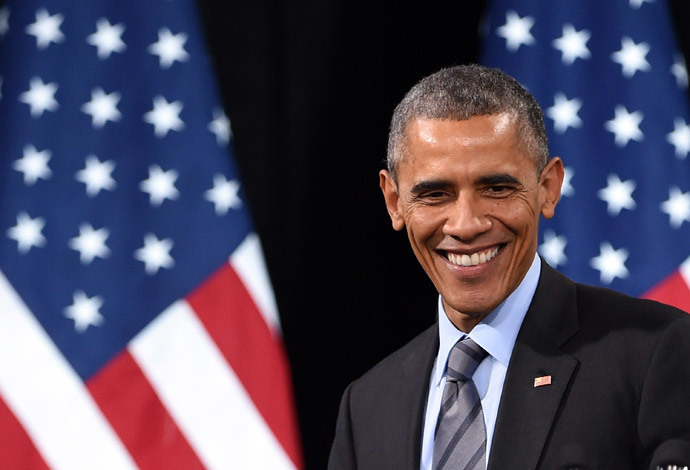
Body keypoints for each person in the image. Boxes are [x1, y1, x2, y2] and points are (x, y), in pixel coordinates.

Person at [328, 64, 690, 470]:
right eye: (435, 194)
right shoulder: (367, 405)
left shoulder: (655, 354)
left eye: (497, 188)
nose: (465, 225)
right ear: (394, 202)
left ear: (548, 189)